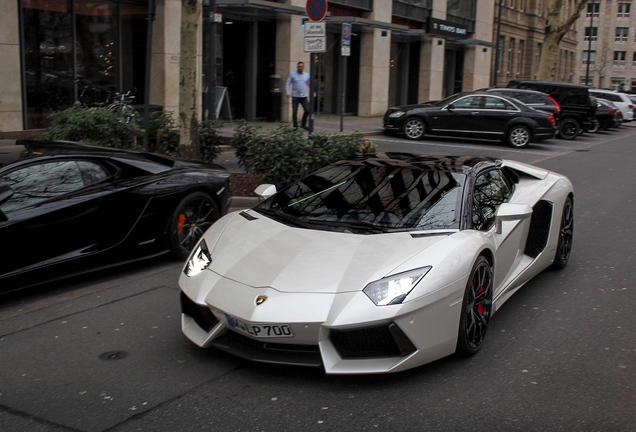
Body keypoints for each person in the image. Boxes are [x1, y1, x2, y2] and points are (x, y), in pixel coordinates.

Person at [285, 61, 311, 130]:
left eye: (301, 66)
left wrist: (313, 92)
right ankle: (295, 127)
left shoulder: (306, 75)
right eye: (299, 66)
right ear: (297, 67)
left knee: (308, 110)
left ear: (303, 67)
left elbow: (310, 84)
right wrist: (288, 92)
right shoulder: (292, 74)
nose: (300, 68)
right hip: (295, 96)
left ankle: (303, 124)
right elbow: (287, 83)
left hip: (304, 96)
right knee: (295, 111)